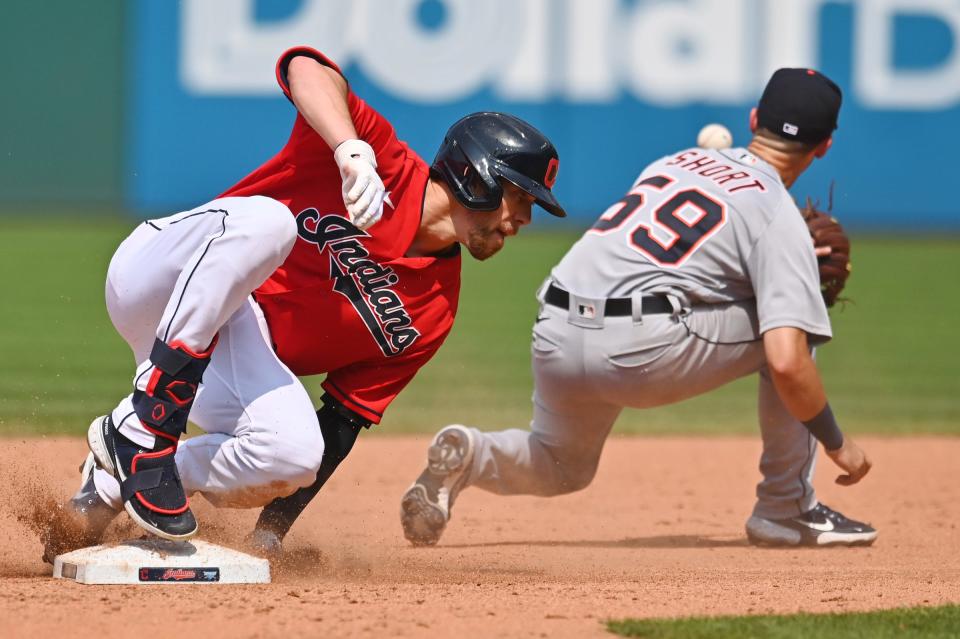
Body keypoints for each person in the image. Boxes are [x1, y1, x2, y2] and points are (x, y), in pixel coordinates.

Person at [42, 46, 566, 560]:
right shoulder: (379, 159)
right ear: (477, 175)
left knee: (294, 454)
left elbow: (340, 424)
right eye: (519, 196)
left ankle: (118, 475)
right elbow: (305, 68)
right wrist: (348, 149)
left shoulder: (432, 312)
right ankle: (145, 425)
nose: (523, 219)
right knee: (269, 222)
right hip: (158, 276)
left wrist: (269, 536)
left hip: (218, 365)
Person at [400, 68, 877, 549]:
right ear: (824, 147)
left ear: (755, 118)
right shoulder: (776, 212)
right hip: (638, 348)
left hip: (556, 327)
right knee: (791, 333)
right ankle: (786, 510)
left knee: (562, 465)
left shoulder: (677, 162)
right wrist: (840, 445)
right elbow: (786, 361)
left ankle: (472, 453)